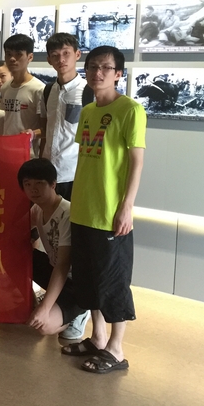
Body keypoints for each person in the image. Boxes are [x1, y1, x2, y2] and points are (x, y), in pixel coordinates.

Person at [62, 45, 146, 375]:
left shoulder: (131, 110)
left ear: (118, 74)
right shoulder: (87, 111)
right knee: (88, 281)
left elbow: (136, 162)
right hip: (84, 208)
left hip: (110, 213)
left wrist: (127, 207)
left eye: (105, 68)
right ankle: (98, 338)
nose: (97, 73)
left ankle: (116, 348)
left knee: (112, 282)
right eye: (92, 66)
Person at [18, 159, 87, 339]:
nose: (33, 189)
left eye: (39, 183)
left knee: (44, 326)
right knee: (15, 254)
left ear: (53, 184)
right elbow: (14, 232)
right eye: (28, 184)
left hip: (77, 283)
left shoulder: (67, 213)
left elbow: (63, 265)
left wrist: (45, 308)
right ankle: (36, 301)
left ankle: (81, 311)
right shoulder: (38, 210)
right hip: (54, 271)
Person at [38, 33, 89, 201]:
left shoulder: (88, 91)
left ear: (77, 54)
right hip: (47, 173)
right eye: (55, 55)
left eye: (66, 53)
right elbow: (45, 129)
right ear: (49, 60)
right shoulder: (47, 91)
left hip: (74, 173)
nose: (61, 59)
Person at [0, 34, 44, 155]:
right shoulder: (5, 88)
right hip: (6, 150)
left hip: (28, 153)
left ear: (30, 57)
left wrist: (32, 134)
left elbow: (45, 128)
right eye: (8, 54)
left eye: (18, 54)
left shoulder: (38, 89)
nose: (12, 59)